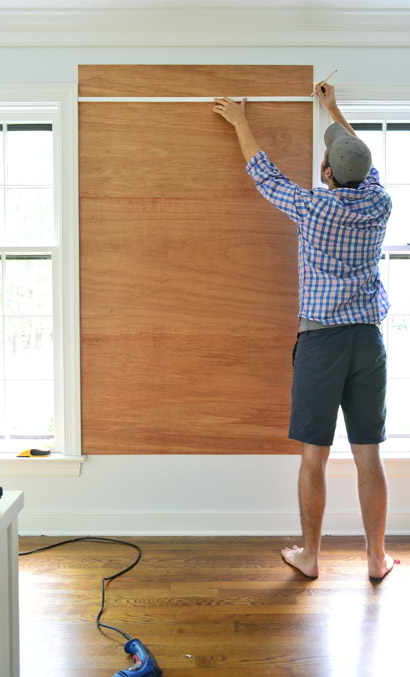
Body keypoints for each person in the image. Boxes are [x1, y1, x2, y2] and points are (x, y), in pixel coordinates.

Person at [213, 83, 394, 579]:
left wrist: (239, 121)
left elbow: (263, 174)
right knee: (368, 457)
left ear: (327, 172)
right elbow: (363, 166)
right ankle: (377, 560)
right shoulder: (380, 204)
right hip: (368, 341)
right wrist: (332, 110)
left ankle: (311, 558)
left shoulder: (313, 206)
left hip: (321, 342)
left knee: (314, 456)